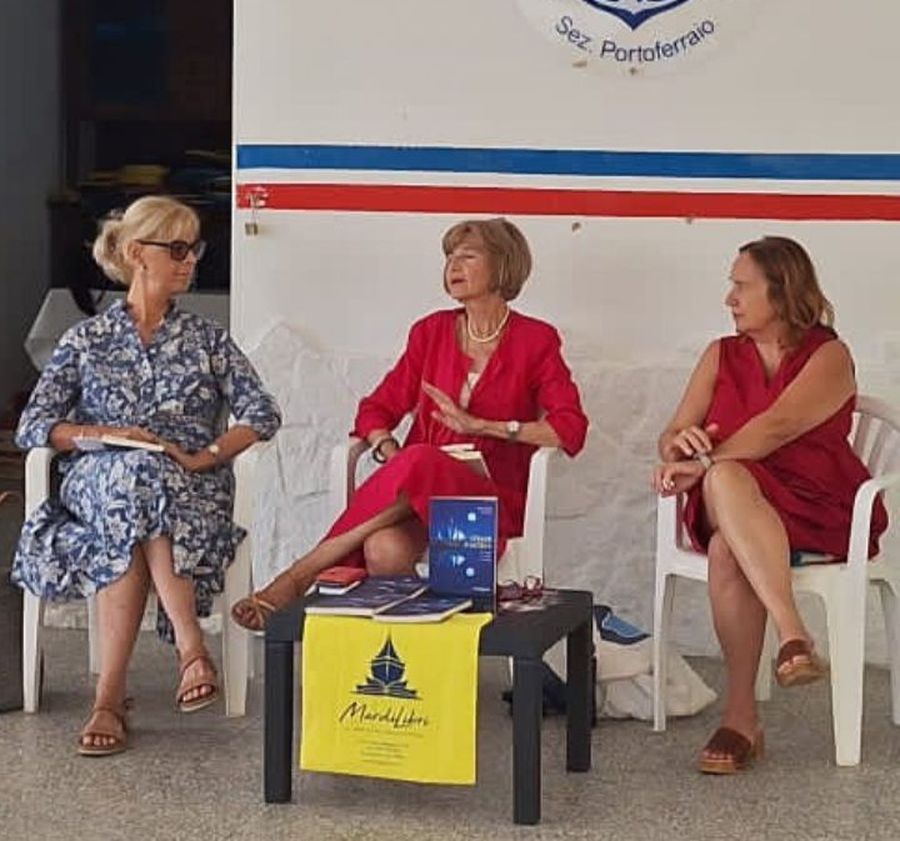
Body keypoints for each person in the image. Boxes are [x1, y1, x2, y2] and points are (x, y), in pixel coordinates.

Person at [13, 196, 281, 756]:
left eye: (195, 248)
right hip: (100, 482)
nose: (191, 260)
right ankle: (190, 649)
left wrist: (205, 455)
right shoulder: (85, 340)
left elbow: (262, 412)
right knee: (136, 474)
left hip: (188, 488)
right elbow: (35, 425)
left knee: (143, 489)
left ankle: (109, 699)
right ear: (137, 254)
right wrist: (105, 434)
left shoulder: (208, 340)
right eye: (178, 249)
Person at [231, 217, 588, 629]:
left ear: (503, 265)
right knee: (384, 548)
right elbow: (375, 409)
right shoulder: (430, 333)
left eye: (468, 256)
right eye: (449, 257)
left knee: (420, 459)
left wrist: (484, 427)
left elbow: (569, 428)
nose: (453, 265)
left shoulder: (536, 340)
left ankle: (300, 575)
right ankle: (409, 658)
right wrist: (389, 451)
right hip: (420, 498)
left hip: (488, 503)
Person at [652, 236, 888, 774]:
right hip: (736, 498)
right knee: (726, 478)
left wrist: (703, 466)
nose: (729, 298)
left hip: (813, 507)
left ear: (781, 292)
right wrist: (679, 446)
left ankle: (742, 719)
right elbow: (672, 432)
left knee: (725, 547)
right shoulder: (720, 354)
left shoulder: (828, 355)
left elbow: (777, 427)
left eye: (742, 286)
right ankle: (794, 637)